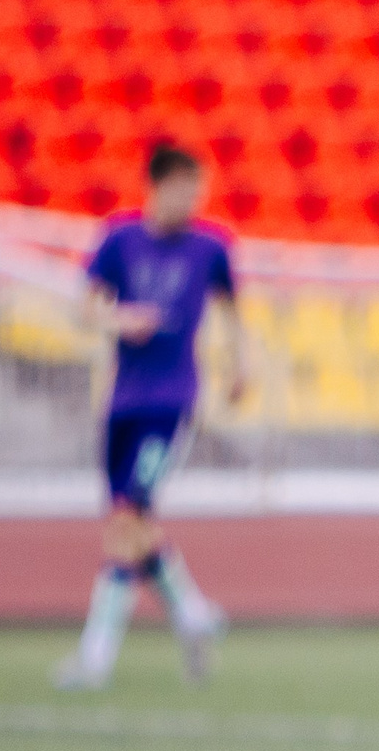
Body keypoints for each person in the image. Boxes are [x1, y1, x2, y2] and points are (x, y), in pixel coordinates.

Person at [54, 143, 244, 690]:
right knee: (129, 526)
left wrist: (240, 367)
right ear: (157, 186)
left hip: (171, 403)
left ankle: (96, 658)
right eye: (186, 188)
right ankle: (193, 615)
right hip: (121, 403)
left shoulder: (211, 248)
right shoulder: (120, 239)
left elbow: (233, 312)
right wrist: (120, 320)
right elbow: (84, 306)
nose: (194, 200)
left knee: (126, 524)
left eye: (199, 190)